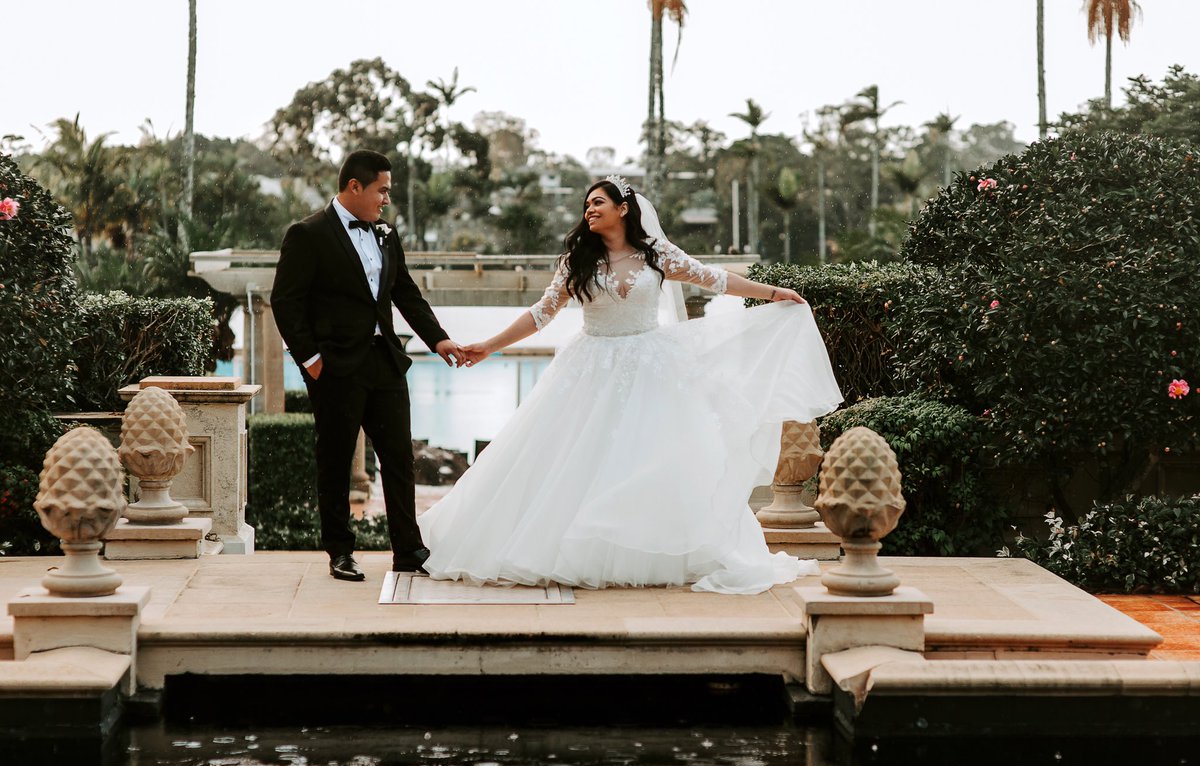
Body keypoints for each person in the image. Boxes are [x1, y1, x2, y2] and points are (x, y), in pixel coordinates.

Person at [418, 176, 843, 594]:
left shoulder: (657, 254)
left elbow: (713, 278)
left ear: (623, 209)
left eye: (598, 202)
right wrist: (489, 346)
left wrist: (771, 293)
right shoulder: (577, 261)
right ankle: (570, 549)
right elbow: (540, 314)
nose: (590, 210)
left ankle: (655, 550)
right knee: (576, 459)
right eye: (586, 205)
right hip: (589, 368)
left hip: (651, 368)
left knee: (654, 459)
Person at [271, 149, 464, 582]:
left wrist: (439, 339)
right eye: (382, 191)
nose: (386, 200)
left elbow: (406, 293)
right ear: (354, 187)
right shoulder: (307, 234)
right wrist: (312, 361)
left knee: (398, 457)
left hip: (385, 363)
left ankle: (408, 549)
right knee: (336, 461)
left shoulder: (385, 234)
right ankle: (340, 551)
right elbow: (285, 301)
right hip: (336, 367)